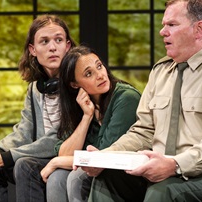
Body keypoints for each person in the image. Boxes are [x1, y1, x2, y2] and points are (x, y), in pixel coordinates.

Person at [82, 0, 202, 202]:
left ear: (198, 29)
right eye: (163, 25)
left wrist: (175, 165)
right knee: (108, 179)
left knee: (164, 191)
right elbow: (143, 131)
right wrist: (106, 157)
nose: (162, 32)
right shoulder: (161, 71)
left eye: (171, 25)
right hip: (169, 173)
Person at [0, 14, 77, 201]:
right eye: (44, 41)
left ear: (68, 46)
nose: (53, 47)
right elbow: (23, 132)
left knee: (24, 165)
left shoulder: (77, 84)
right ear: (33, 49)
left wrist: (3, 158)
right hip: (38, 155)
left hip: (66, 155)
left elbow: (58, 138)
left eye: (59, 40)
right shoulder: (35, 89)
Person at [38, 45, 141, 202]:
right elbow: (65, 153)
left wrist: (55, 162)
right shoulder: (82, 106)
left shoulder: (126, 98)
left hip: (126, 175)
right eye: (89, 74)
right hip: (98, 169)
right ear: (74, 84)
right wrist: (87, 117)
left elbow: (104, 157)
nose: (100, 75)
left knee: (76, 177)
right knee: (56, 178)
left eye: (99, 66)